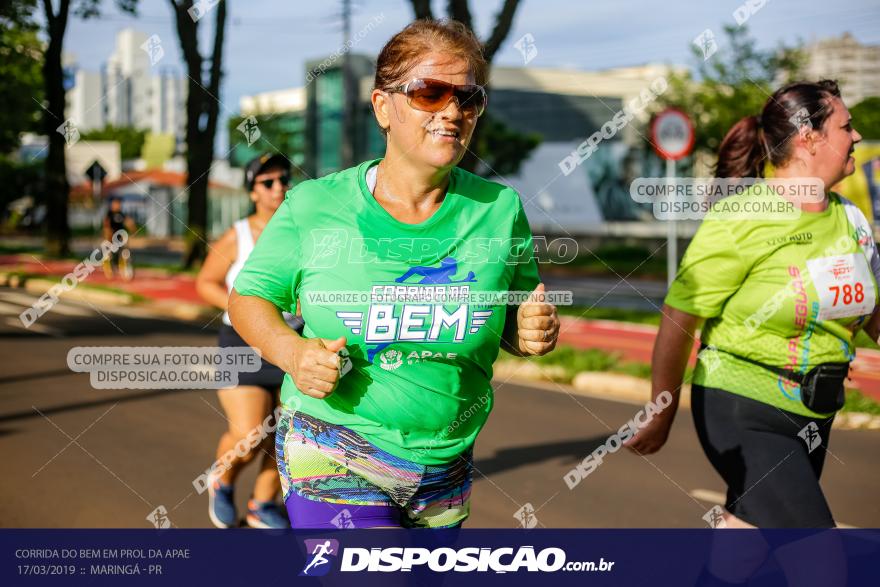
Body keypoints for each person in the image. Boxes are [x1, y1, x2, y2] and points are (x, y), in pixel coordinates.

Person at [229, 19, 559, 529]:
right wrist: (292, 352)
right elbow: (248, 297)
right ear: (383, 106)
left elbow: (510, 320)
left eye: (468, 98)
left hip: (446, 463)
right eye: (430, 93)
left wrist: (527, 331)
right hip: (334, 443)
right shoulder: (315, 205)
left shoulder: (499, 208)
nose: (452, 111)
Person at [626, 80, 880, 529]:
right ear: (809, 138)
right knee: (820, 560)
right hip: (742, 405)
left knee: (742, 550)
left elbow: (874, 317)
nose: (856, 136)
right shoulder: (741, 216)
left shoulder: (852, 220)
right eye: (847, 126)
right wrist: (661, 411)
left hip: (817, 411)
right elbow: (679, 316)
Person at [195, 153, 303, 529]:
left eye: (284, 179)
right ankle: (222, 480)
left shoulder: (300, 233)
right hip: (241, 343)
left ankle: (262, 503)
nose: (279, 188)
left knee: (290, 437)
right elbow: (205, 282)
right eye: (268, 182)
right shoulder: (238, 235)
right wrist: (246, 307)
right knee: (250, 431)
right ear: (253, 191)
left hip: (291, 341)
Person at [102, 197, 136, 280]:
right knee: (111, 255)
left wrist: (132, 227)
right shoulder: (109, 214)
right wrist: (108, 237)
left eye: (119, 204)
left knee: (125, 253)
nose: (118, 205)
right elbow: (106, 226)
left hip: (120, 238)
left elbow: (128, 222)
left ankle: (125, 270)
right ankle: (109, 269)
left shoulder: (121, 214)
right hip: (112, 239)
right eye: (116, 203)